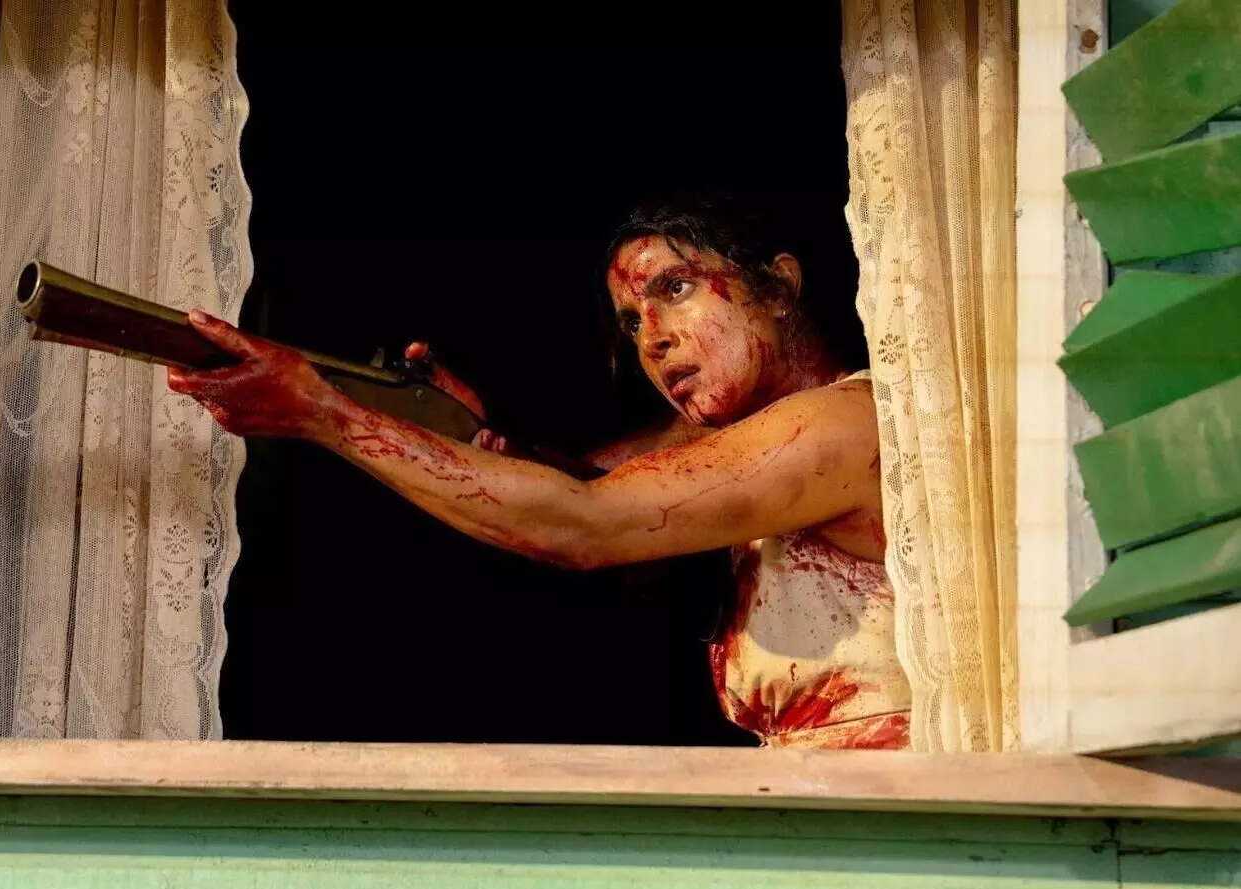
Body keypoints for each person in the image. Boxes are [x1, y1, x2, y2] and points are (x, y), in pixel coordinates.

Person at [167, 194, 911, 750]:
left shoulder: (846, 423)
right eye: (630, 321)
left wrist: (323, 413)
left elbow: (587, 518)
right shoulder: (745, 443)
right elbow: (587, 480)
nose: (651, 340)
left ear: (778, 288)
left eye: (674, 288)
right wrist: (462, 434)